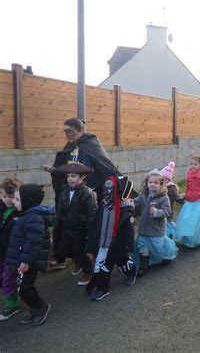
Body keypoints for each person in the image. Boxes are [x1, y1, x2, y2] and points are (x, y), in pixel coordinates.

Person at [44, 118, 121, 270]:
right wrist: (55, 170)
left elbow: (104, 166)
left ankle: (90, 260)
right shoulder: (70, 146)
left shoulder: (91, 144)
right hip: (72, 193)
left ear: (81, 130)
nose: (67, 135)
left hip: (89, 194)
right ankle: (76, 258)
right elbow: (66, 168)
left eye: (70, 131)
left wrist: (111, 186)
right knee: (70, 226)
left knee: (88, 227)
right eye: (65, 131)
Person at [5, 184, 55, 326]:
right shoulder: (26, 215)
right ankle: (34, 308)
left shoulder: (33, 218)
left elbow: (34, 242)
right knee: (24, 287)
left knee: (24, 289)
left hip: (29, 261)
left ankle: (40, 306)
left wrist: (25, 261)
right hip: (25, 260)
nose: (14, 202)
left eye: (17, 199)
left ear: (27, 201)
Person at [86, 176, 137, 301]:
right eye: (106, 189)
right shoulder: (103, 205)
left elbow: (128, 230)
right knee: (103, 265)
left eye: (111, 189)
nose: (107, 192)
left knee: (123, 261)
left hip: (118, 244)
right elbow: (97, 224)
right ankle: (102, 289)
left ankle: (132, 273)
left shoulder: (126, 208)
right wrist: (93, 242)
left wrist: (128, 246)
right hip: (104, 243)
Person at [52, 163, 98, 286]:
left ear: (82, 177)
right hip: (67, 228)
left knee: (79, 251)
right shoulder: (64, 192)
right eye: (68, 176)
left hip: (80, 230)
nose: (70, 179)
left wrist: (90, 235)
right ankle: (78, 261)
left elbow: (91, 215)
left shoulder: (88, 193)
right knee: (65, 250)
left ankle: (89, 271)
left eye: (73, 176)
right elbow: (60, 211)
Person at [133, 170, 177, 277]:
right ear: (146, 183)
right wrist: (128, 202)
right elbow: (136, 201)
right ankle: (144, 266)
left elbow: (167, 212)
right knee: (143, 246)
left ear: (161, 184)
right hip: (144, 228)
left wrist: (157, 212)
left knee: (158, 247)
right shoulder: (143, 195)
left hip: (156, 228)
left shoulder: (163, 197)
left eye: (156, 183)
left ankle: (166, 256)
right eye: (150, 182)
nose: (153, 185)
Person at [174, 156, 200, 248]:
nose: (192, 166)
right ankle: (186, 237)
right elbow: (189, 184)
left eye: (195, 164)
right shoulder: (190, 171)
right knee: (186, 218)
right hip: (190, 199)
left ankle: (195, 239)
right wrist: (186, 194)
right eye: (191, 164)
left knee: (196, 221)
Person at [0, 177, 21, 321]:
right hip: (1, 251)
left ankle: (12, 304)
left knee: (8, 279)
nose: (8, 200)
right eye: (4, 196)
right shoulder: (1, 208)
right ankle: (10, 294)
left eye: (11, 196)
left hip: (12, 254)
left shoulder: (20, 213)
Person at [159, 162, 184, 240]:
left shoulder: (171, 188)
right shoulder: (158, 186)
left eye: (167, 179)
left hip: (168, 211)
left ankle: (169, 238)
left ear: (170, 179)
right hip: (159, 211)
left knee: (167, 225)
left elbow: (177, 197)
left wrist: (185, 201)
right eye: (163, 178)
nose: (165, 180)